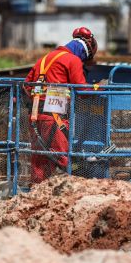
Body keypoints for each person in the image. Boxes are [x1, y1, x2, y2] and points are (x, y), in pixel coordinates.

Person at [25, 27, 98, 183]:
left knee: (39, 160)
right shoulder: (73, 60)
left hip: (35, 117)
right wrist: (99, 87)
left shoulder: (44, 59)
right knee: (63, 159)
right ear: (84, 52)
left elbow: (26, 85)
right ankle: (65, 196)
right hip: (55, 120)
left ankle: (36, 195)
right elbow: (83, 90)